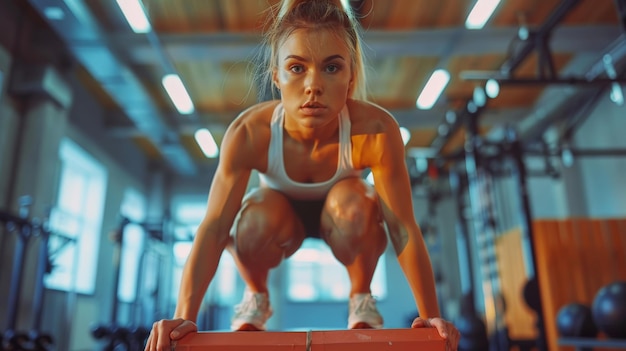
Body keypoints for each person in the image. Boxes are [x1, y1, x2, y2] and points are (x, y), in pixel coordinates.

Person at [145, 0, 460, 350]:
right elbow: (215, 226)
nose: (313, 85)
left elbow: (402, 226)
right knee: (251, 219)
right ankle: (257, 293)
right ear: (276, 73)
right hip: (277, 219)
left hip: (346, 216)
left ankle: (360, 293)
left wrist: (431, 317)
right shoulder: (249, 132)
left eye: (331, 68)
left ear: (351, 74)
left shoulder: (376, 129)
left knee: (356, 203)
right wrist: (184, 315)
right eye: (297, 68)